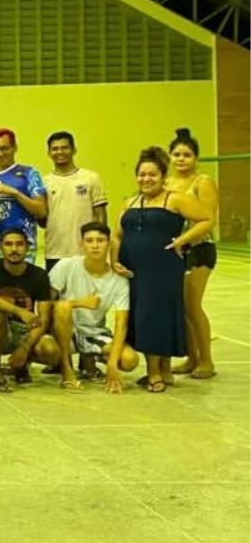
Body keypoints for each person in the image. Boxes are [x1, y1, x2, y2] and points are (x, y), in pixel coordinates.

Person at [112, 147, 213, 393]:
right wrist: (114, 261)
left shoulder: (175, 199)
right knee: (142, 316)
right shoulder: (129, 202)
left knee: (156, 316)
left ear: (162, 176)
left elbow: (206, 219)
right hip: (133, 270)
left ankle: (154, 373)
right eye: (141, 174)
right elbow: (116, 235)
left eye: (152, 174)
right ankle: (164, 371)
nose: (146, 179)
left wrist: (183, 240)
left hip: (162, 269)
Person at [49, 222, 140, 393]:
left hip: (93, 333)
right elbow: (45, 303)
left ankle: (88, 360)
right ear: (81, 244)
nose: (95, 245)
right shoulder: (66, 265)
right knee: (63, 308)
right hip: (65, 331)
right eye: (89, 241)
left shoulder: (119, 279)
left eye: (100, 240)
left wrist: (112, 364)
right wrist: (79, 303)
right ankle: (66, 369)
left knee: (129, 360)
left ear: (109, 244)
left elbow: (121, 324)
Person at [0, 229, 69, 391]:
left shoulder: (39, 275)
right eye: (8, 244)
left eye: (19, 244)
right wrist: (20, 311)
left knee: (51, 351)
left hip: (24, 329)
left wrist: (24, 348)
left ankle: (22, 364)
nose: (14, 249)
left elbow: (44, 318)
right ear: (1, 247)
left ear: (28, 247)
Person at [165, 128, 219, 380]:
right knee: (182, 308)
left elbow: (208, 220)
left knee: (193, 306)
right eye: (176, 154)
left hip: (198, 250)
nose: (181, 159)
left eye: (186, 155)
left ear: (196, 158)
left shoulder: (203, 182)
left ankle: (206, 361)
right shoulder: (166, 183)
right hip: (173, 251)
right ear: (169, 156)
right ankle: (192, 358)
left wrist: (183, 240)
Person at [43, 132, 108, 271]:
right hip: (55, 252)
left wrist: (98, 244)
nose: (60, 152)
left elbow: (100, 215)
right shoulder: (44, 182)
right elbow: (42, 220)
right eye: (55, 149)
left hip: (86, 252)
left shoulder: (91, 178)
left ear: (74, 150)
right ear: (49, 153)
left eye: (64, 148)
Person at [0, 128, 47, 261]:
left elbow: (41, 211)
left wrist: (15, 193)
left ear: (14, 148)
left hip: (24, 246)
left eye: (4, 148)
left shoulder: (29, 174)